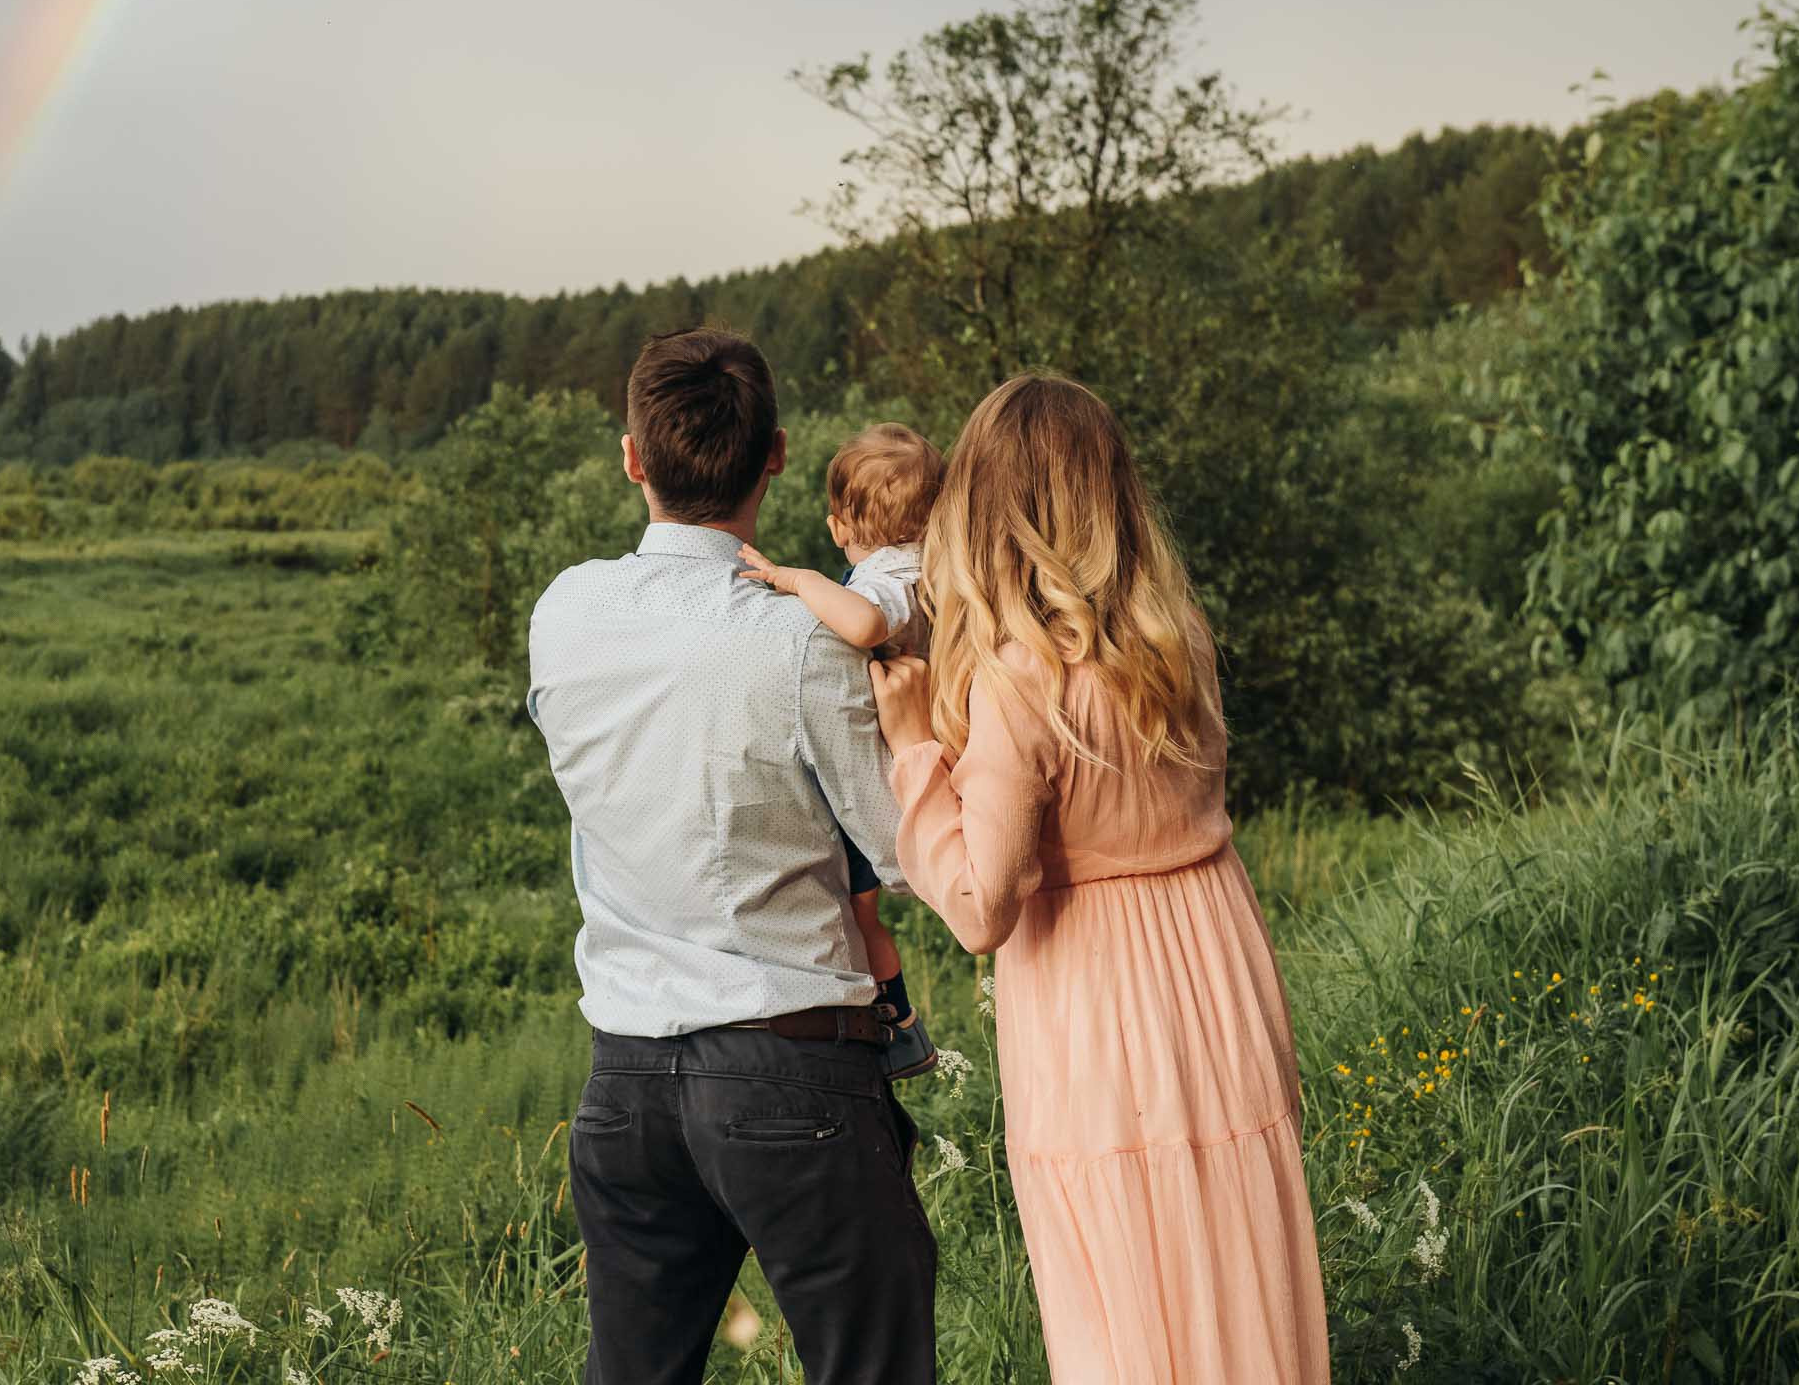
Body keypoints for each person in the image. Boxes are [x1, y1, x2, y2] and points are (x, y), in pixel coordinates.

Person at [867, 374, 1331, 1383]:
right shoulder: (1178, 644)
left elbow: (981, 905)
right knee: (1241, 1269)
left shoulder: (1019, 677)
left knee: (1125, 1300)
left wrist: (911, 751)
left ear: (985, 509)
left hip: (1097, 1005)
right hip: (1216, 966)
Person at [527, 329, 937, 1385]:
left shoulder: (564, 612)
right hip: (790, 1063)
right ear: (778, 456)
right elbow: (905, 854)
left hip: (621, 1078)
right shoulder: (799, 640)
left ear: (632, 458)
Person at [735, 421, 945, 1079]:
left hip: (889, 767)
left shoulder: (887, 576)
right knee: (856, 910)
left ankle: (899, 1024)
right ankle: (895, 1021)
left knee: (857, 911)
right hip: (928, 751)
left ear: (840, 526)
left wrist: (795, 580)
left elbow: (862, 621)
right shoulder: (939, 570)